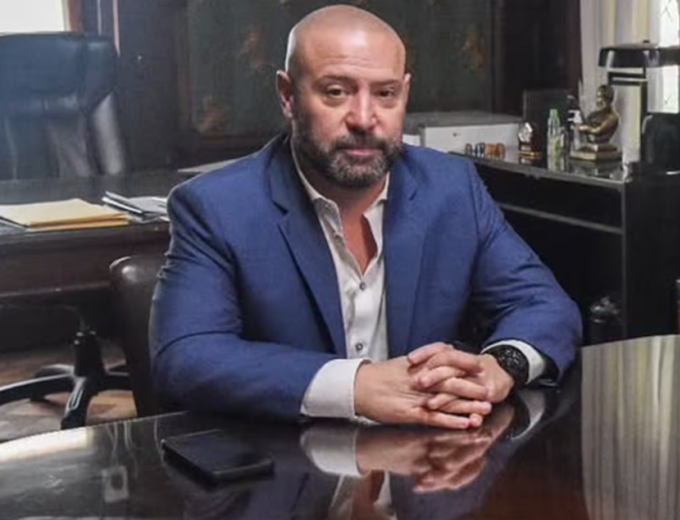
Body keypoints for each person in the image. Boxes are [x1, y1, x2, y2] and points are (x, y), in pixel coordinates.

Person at [150, 5, 581, 430]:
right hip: (290, 462)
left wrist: (499, 365)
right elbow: (186, 357)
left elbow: (545, 305)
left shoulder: (451, 188)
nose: (363, 118)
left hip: (429, 459)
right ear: (288, 95)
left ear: (404, 94)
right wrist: (355, 385)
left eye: (385, 94)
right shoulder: (216, 207)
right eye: (336, 92)